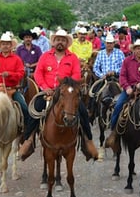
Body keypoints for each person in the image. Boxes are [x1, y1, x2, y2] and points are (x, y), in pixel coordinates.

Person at [18, 30, 98, 161]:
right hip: (48, 92)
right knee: (34, 111)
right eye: (58, 39)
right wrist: (45, 87)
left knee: (82, 111)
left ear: (67, 43)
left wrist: (65, 88)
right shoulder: (45, 56)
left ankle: (88, 141)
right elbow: (38, 74)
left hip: (66, 93)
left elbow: (76, 75)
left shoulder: (72, 58)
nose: (60, 42)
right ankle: (29, 139)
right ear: (54, 42)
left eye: (63, 40)